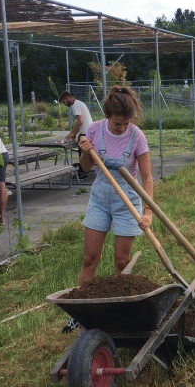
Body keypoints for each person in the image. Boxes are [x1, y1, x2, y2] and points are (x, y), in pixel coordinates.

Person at [61, 86, 154, 333]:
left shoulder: (137, 137)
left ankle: (121, 313)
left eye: (126, 124)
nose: (122, 128)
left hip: (127, 202)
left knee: (122, 262)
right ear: (106, 116)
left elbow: (147, 178)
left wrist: (148, 212)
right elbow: (86, 167)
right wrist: (85, 151)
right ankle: (81, 312)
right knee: (89, 258)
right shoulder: (95, 130)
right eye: (117, 124)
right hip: (100, 199)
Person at [59, 91, 93, 180]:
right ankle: (84, 171)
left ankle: (82, 173)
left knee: (82, 154)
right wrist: (74, 133)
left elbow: (80, 122)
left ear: (68, 98)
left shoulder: (75, 105)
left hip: (85, 133)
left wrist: (71, 133)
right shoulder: (79, 103)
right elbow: (81, 123)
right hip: (88, 131)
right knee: (83, 153)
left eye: (64, 102)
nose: (65, 104)